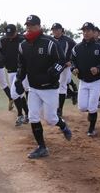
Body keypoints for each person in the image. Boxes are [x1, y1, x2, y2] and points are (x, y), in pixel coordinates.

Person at [15, 14, 72, 159]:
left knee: (51, 119)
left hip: (50, 88)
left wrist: (55, 70)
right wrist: (18, 80)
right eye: (28, 26)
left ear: (39, 26)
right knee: (33, 116)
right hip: (33, 88)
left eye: (33, 26)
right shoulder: (23, 45)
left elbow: (62, 60)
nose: (30, 28)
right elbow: (22, 65)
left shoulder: (50, 42)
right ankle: (42, 147)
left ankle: (63, 125)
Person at [71, 22, 100, 137]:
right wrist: (74, 68)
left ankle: (91, 128)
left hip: (96, 82)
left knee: (92, 107)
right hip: (83, 81)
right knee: (82, 107)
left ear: (94, 32)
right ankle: (91, 115)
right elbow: (73, 62)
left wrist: (98, 69)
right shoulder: (77, 48)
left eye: (88, 31)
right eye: (84, 31)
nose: (86, 33)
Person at [0, 24, 30, 126]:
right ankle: (27, 114)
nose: (10, 36)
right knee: (19, 94)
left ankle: (20, 115)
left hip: (21, 72)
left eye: (12, 34)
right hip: (10, 71)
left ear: (16, 31)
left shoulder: (23, 39)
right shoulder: (3, 41)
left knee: (14, 94)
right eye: (8, 34)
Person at [50, 23, 77, 117]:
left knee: (62, 86)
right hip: (52, 67)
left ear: (62, 30)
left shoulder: (68, 41)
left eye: (57, 29)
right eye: (53, 29)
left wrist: (71, 61)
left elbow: (77, 52)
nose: (55, 31)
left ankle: (59, 109)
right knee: (54, 85)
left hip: (64, 67)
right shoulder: (49, 40)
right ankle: (73, 94)